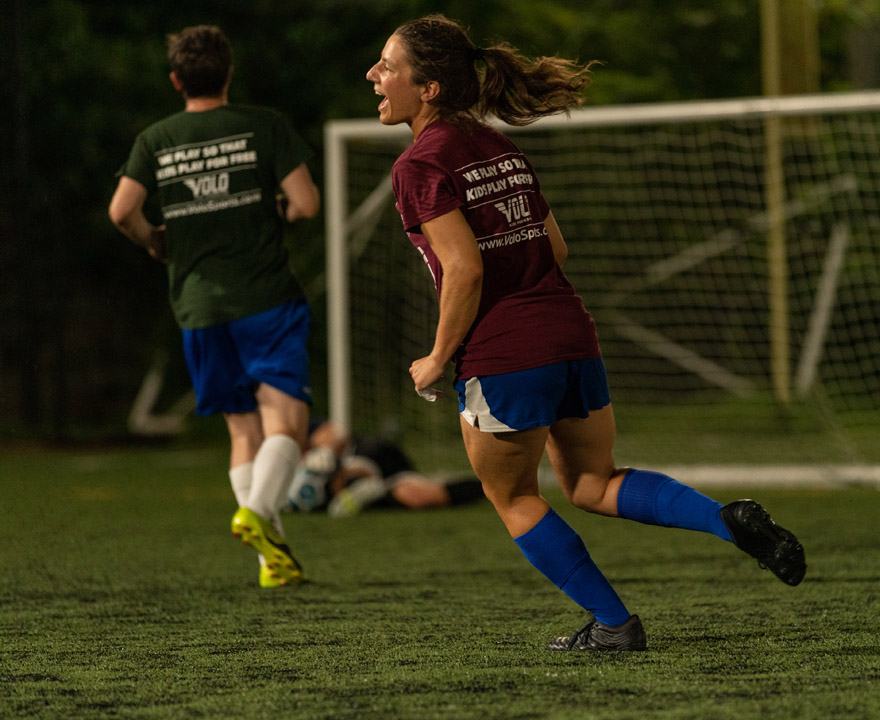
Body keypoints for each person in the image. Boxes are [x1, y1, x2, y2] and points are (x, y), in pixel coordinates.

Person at [366, 14, 807, 651]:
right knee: (592, 483)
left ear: (428, 87)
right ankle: (727, 521)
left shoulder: (418, 164)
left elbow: (464, 267)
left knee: (514, 497)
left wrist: (438, 358)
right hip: (572, 336)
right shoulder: (501, 147)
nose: (374, 75)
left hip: (504, 352)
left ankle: (614, 625)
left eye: (388, 66)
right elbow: (556, 248)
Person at [109, 25, 320, 589]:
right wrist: (276, 212)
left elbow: (120, 211)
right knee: (287, 423)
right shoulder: (262, 125)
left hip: (198, 306)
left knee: (241, 430)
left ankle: (270, 563)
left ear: (177, 80)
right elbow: (305, 203)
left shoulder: (156, 138)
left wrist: (154, 239)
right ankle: (255, 518)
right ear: (229, 72)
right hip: (265, 298)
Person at [284, 417, 485, 516]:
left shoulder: (281, 418)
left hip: (361, 457)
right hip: (343, 501)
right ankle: (363, 489)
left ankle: (494, 488)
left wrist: (325, 451)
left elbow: (332, 434)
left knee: (345, 476)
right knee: (416, 497)